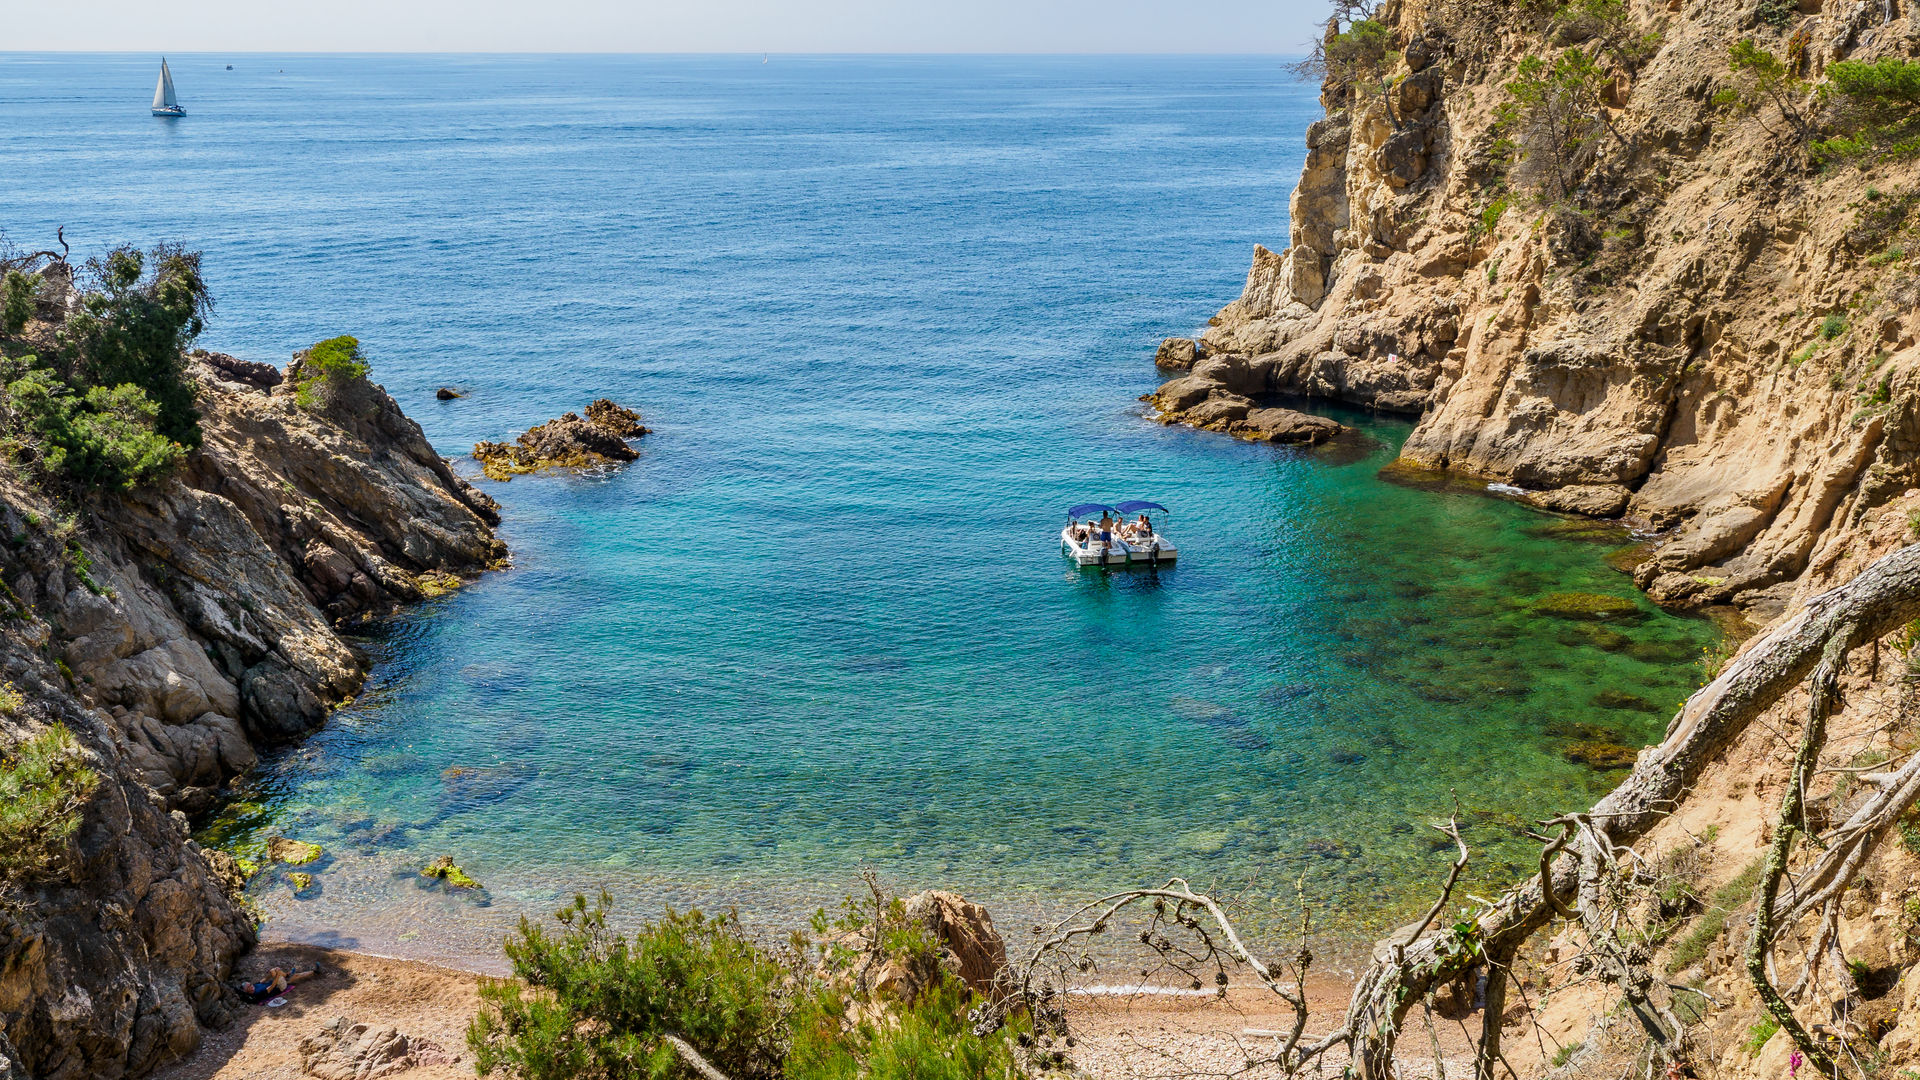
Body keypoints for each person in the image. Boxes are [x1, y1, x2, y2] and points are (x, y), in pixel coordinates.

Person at [236, 964, 321, 1003]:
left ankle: (314, 972)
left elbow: (265, 979)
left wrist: (271, 973)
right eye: (249, 987)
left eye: (250, 984)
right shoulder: (258, 993)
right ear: (247, 991)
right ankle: (287, 974)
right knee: (288, 974)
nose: (251, 986)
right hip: (280, 987)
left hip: (277, 983)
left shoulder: (254, 986)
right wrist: (278, 975)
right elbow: (272, 986)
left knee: (274, 971)